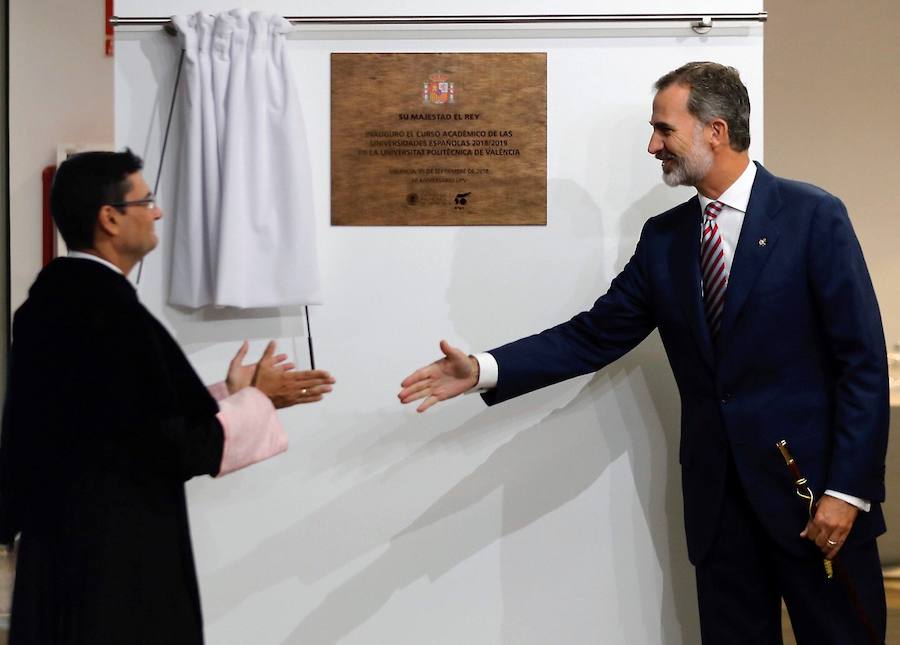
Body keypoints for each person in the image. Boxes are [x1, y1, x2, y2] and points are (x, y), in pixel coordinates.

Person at [398, 62, 889, 644]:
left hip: (814, 503)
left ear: (716, 130)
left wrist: (846, 492)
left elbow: (862, 364)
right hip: (719, 511)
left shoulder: (813, 217)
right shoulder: (665, 239)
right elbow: (592, 335)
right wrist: (484, 369)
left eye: (664, 129)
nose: (652, 145)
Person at [0, 149, 336, 645]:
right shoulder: (113, 317)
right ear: (110, 218)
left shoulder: (44, 308)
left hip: (56, 556)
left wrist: (232, 396)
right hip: (116, 567)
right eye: (147, 200)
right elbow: (174, 445)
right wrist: (254, 402)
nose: (157, 211)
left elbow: (117, 420)